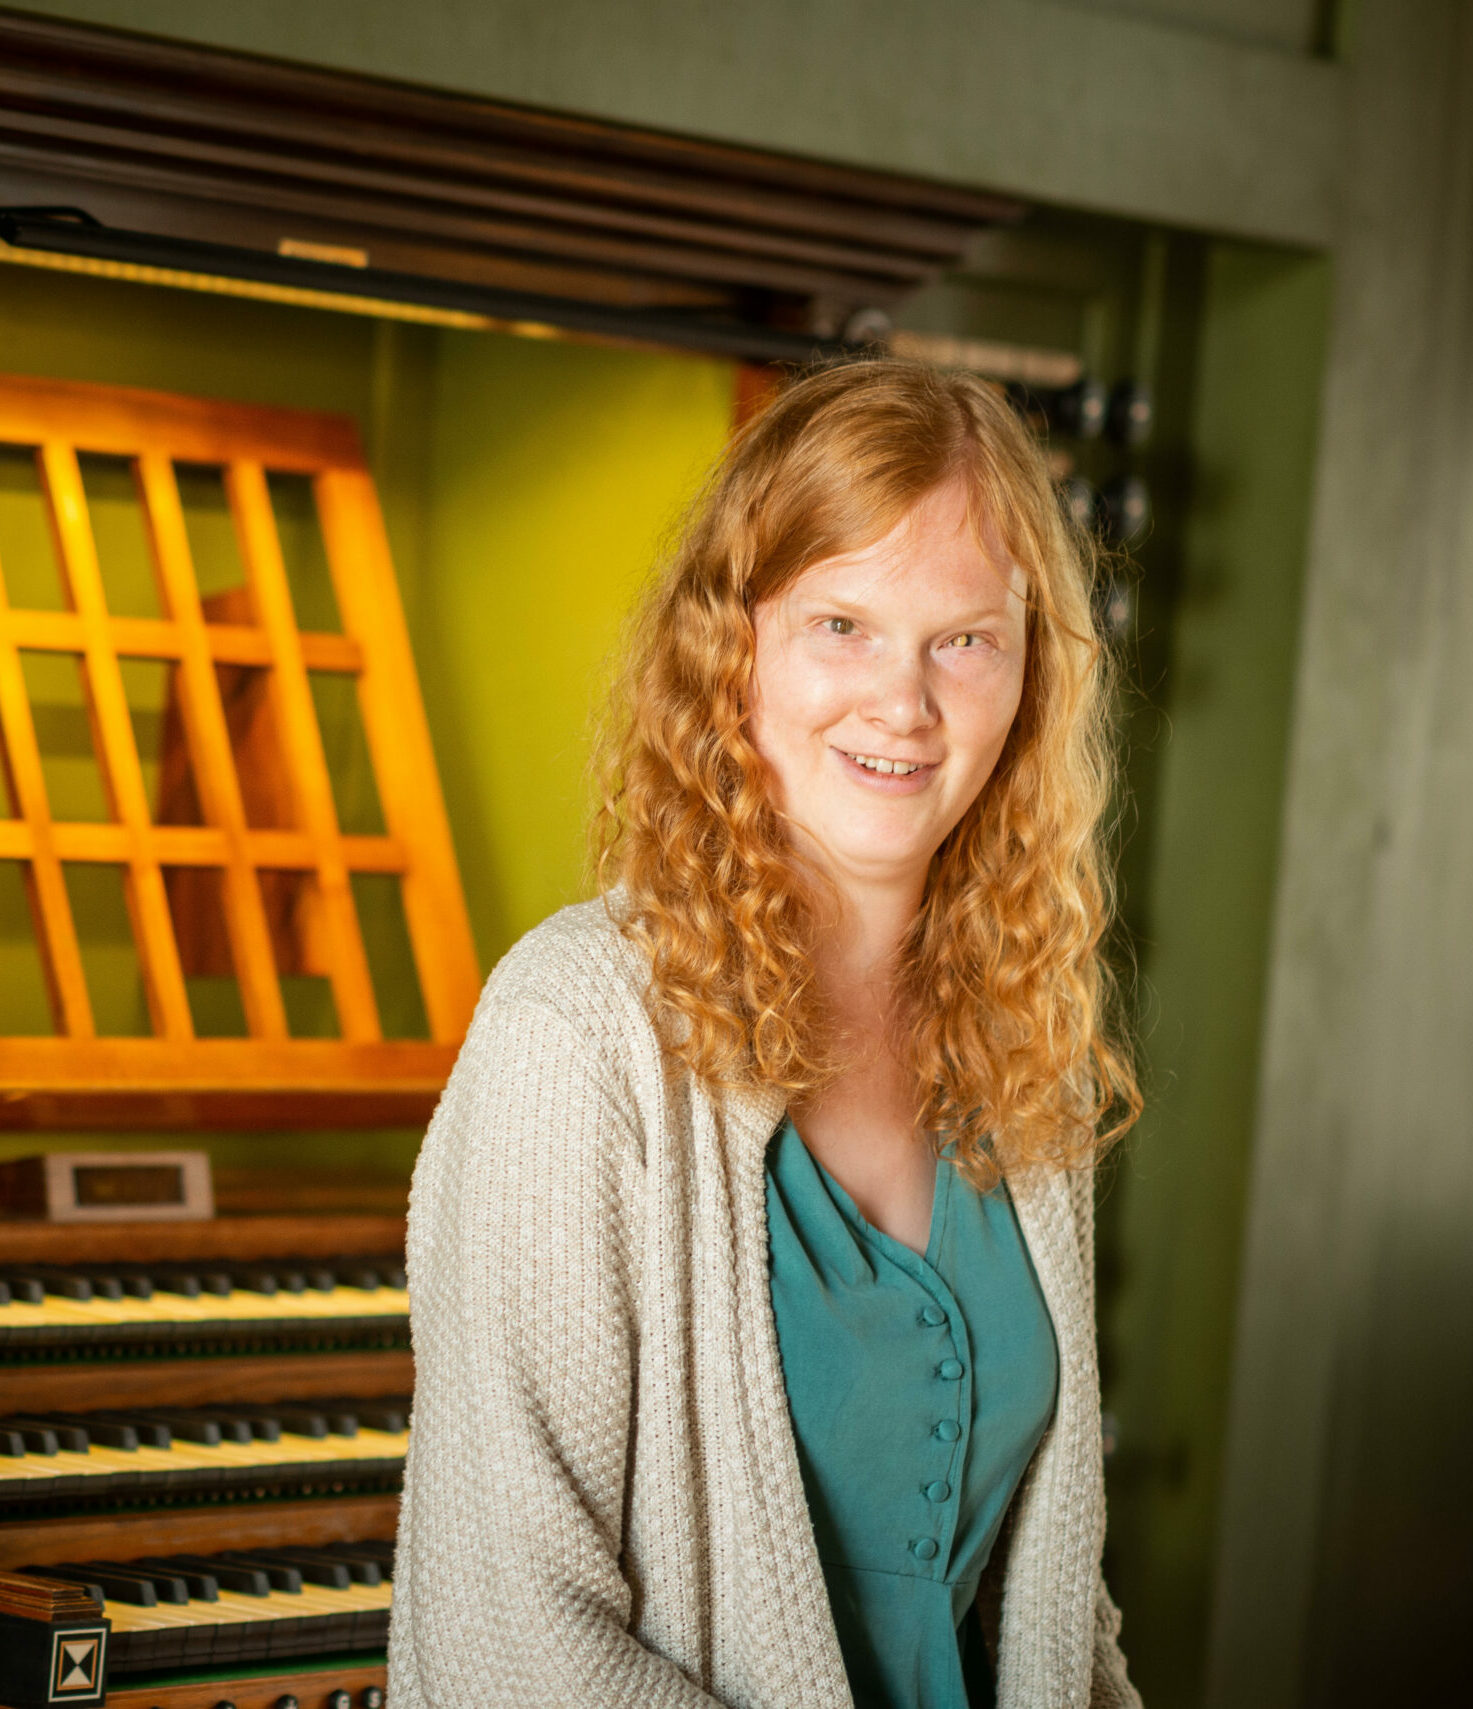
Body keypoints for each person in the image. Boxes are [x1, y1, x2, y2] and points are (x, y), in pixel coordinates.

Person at [386, 358, 1142, 1709]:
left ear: (1030, 667)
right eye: (840, 623)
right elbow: (508, 1637)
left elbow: (1054, 1598)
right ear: (732, 642)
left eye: (962, 637)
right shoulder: (572, 1031)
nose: (902, 703)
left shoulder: (1023, 1029)